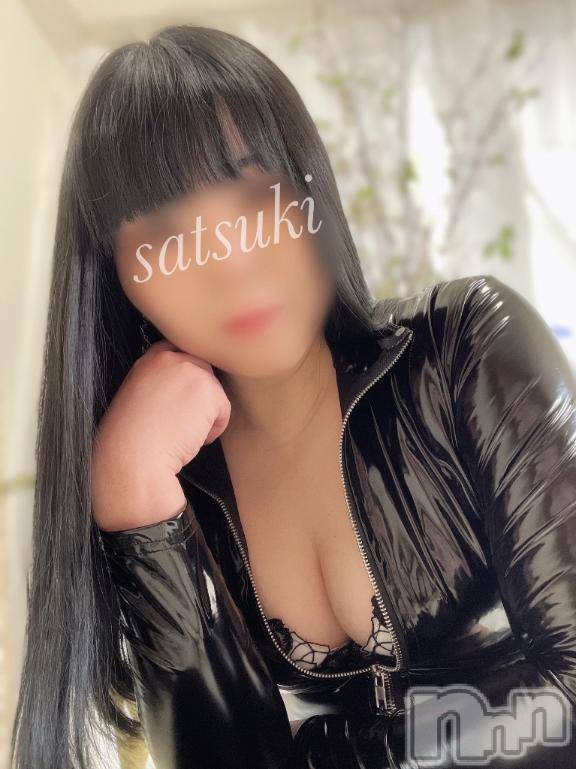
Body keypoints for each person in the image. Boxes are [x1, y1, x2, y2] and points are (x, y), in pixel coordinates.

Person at [10, 22, 576, 769]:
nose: (230, 266)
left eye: (255, 198)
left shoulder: (462, 346)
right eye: (168, 235)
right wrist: (131, 495)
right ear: (118, 280)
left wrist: (317, 755)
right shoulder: (180, 480)